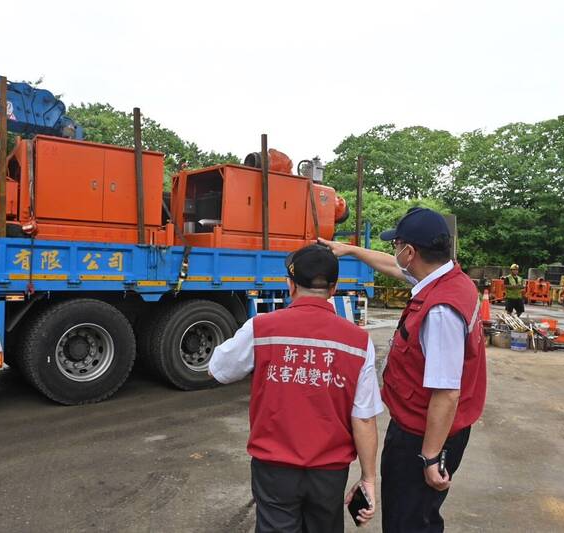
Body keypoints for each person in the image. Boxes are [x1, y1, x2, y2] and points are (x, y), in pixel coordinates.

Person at [320, 207, 487, 533]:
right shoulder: (449, 278)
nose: (393, 252)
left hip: (423, 435)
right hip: (425, 426)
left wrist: (429, 456)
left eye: (396, 245)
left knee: (407, 520)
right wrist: (349, 249)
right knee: (418, 512)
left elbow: (447, 392)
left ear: (410, 252)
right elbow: (391, 266)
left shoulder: (440, 310)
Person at [208, 244, 383, 532]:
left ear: (290, 284)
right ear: (334, 288)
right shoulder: (358, 341)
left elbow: (219, 369)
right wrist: (368, 479)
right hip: (329, 472)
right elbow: (363, 417)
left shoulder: (261, 328)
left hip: (274, 469)